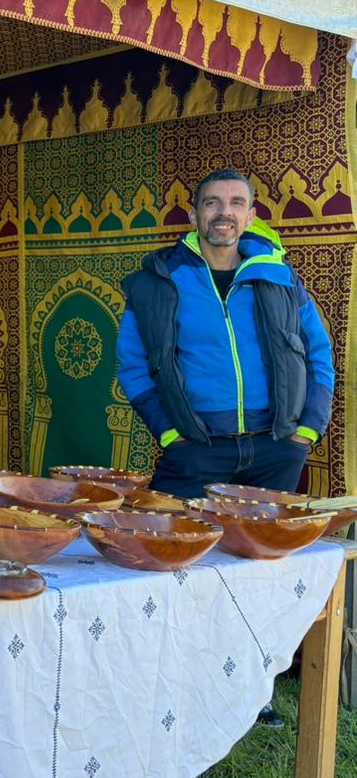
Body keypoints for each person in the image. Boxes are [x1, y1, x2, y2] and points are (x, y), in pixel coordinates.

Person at [116, 167, 335, 727]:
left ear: (251, 215)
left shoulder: (278, 277)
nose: (224, 213)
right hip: (197, 448)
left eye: (236, 203)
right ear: (194, 213)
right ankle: (170, 687)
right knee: (170, 563)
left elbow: (319, 354)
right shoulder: (157, 281)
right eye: (212, 202)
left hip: (274, 447)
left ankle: (251, 692)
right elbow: (133, 367)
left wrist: (306, 431)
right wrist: (169, 433)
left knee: (256, 572)